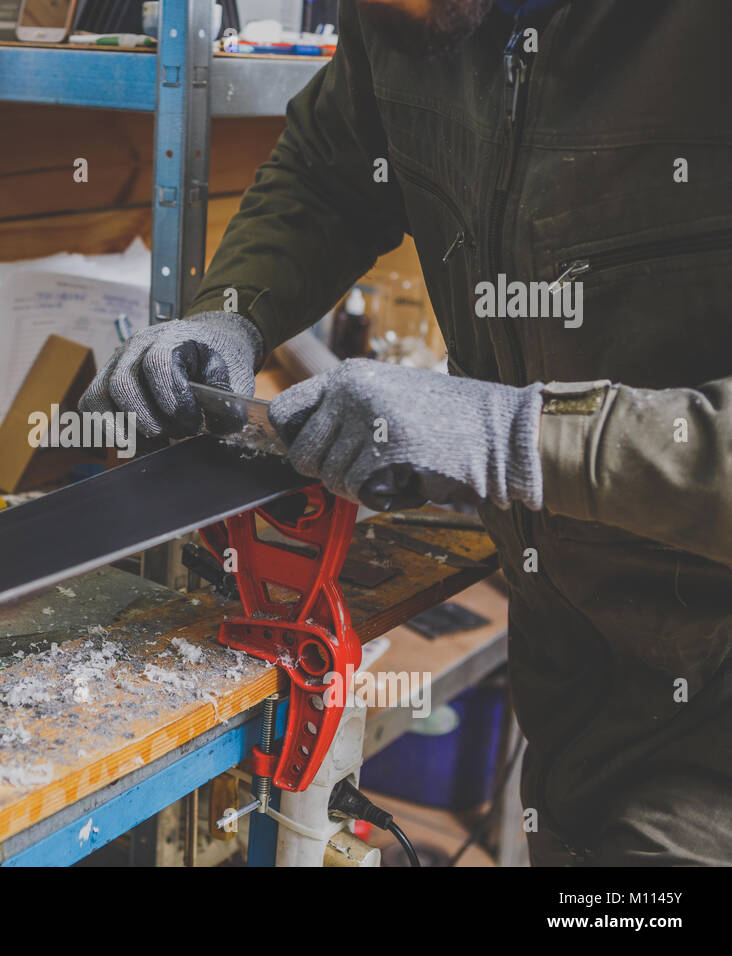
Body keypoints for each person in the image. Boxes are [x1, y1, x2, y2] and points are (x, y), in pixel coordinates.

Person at [81, 0, 732, 865]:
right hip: (576, 683)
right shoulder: (403, 21)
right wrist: (233, 315)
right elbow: (328, 172)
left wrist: (507, 438)